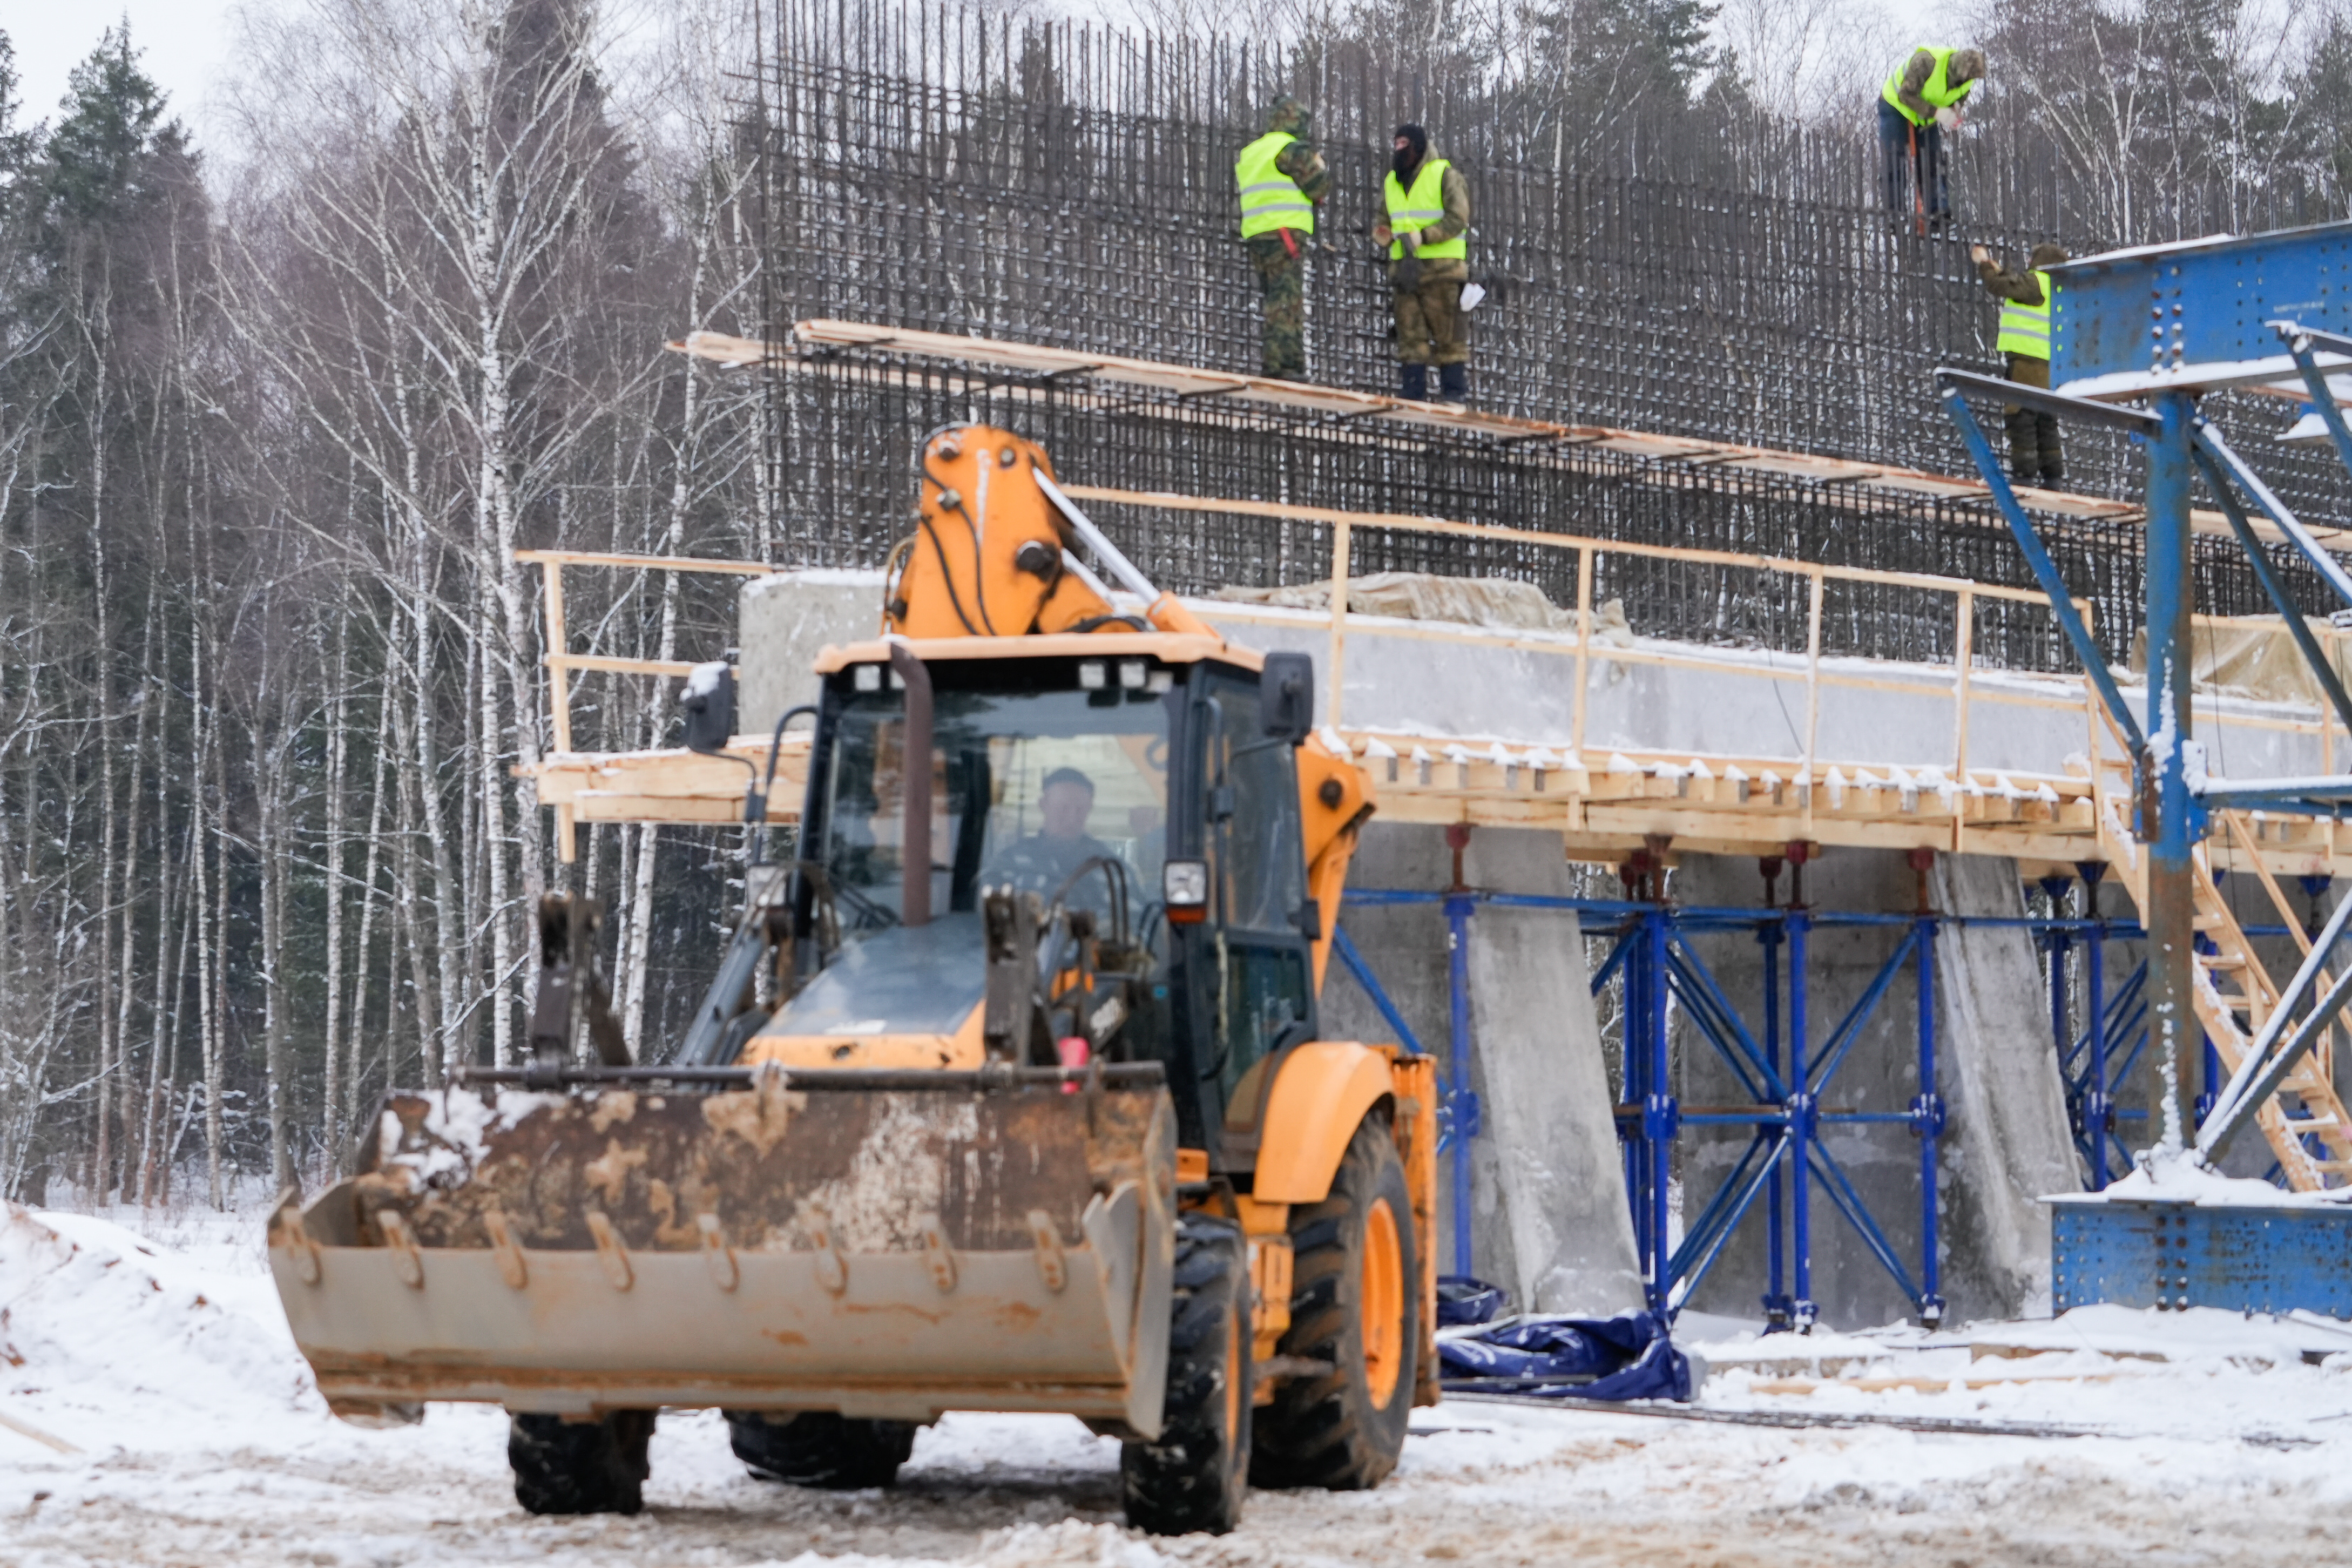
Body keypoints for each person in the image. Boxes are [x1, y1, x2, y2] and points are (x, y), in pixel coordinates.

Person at [1373, 124, 1472, 405]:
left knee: (1449, 337)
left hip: (1443, 270)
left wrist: (1424, 236)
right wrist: (1382, 233)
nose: (1399, 149)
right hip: (1405, 271)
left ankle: (1454, 394)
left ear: (1418, 145)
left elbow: (1458, 218)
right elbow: (1383, 217)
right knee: (1409, 336)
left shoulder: (1444, 175)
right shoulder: (1392, 181)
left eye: (1404, 143)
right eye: (1396, 143)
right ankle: (1412, 392)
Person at [1234, 95, 1331, 381]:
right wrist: (1318, 164)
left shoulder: (1252, 152)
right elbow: (1318, 187)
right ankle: (1283, 365)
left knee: (1274, 296)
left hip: (1256, 233)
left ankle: (1288, 362)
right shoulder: (1290, 150)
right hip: (1284, 233)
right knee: (1286, 299)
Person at [1971, 241, 2069, 488]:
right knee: (2045, 420)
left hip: (2027, 361)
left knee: (2021, 416)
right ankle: (2053, 476)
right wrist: (1998, 268)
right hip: (2050, 366)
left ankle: (2023, 475)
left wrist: (1984, 264)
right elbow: (2015, 284)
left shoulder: (2037, 282)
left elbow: (2000, 286)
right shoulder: (2058, 288)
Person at [983, 767, 1119, 910]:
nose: (1072, 818)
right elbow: (987, 920)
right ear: (1043, 805)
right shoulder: (1009, 863)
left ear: (1090, 808)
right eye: (1063, 808)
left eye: (1080, 808)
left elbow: (1135, 921)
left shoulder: (1110, 866)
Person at [1879, 47, 1984, 230]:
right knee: (1895, 160)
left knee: (1933, 161)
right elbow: (1905, 95)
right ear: (1959, 69)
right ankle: (1895, 214)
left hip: (1926, 115)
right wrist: (1937, 112)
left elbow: (1956, 103)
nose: (1970, 82)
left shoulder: (1967, 81)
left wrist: (1954, 114)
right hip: (1895, 106)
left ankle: (1938, 214)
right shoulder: (1926, 62)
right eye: (1968, 77)